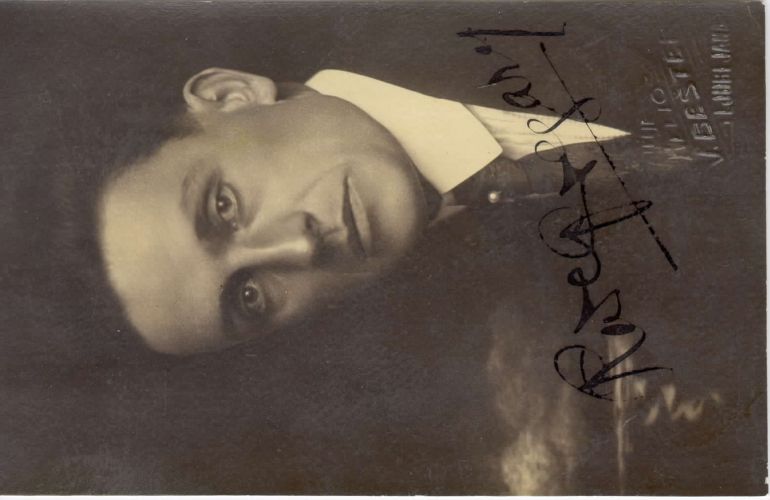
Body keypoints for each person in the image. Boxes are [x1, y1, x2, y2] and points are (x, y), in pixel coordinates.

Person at [97, 67, 628, 355]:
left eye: (223, 206)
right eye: (249, 296)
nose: (299, 247)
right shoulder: (516, 346)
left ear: (232, 96)